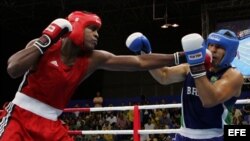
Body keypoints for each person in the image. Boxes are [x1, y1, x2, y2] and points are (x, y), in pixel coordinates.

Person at [0, 11, 184, 141]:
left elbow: (139, 63)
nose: (97, 35)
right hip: (19, 118)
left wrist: (178, 56)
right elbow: (13, 69)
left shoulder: (93, 59)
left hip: (51, 124)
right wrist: (45, 40)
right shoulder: (45, 46)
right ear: (77, 26)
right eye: (92, 29)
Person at [127, 29, 244, 140]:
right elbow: (163, 75)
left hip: (214, 136)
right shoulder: (189, 67)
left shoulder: (233, 76)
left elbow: (210, 100)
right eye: (211, 45)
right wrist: (146, 54)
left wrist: (197, 66)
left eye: (219, 47)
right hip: (184, 134)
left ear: (230, 52)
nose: (212, 50)